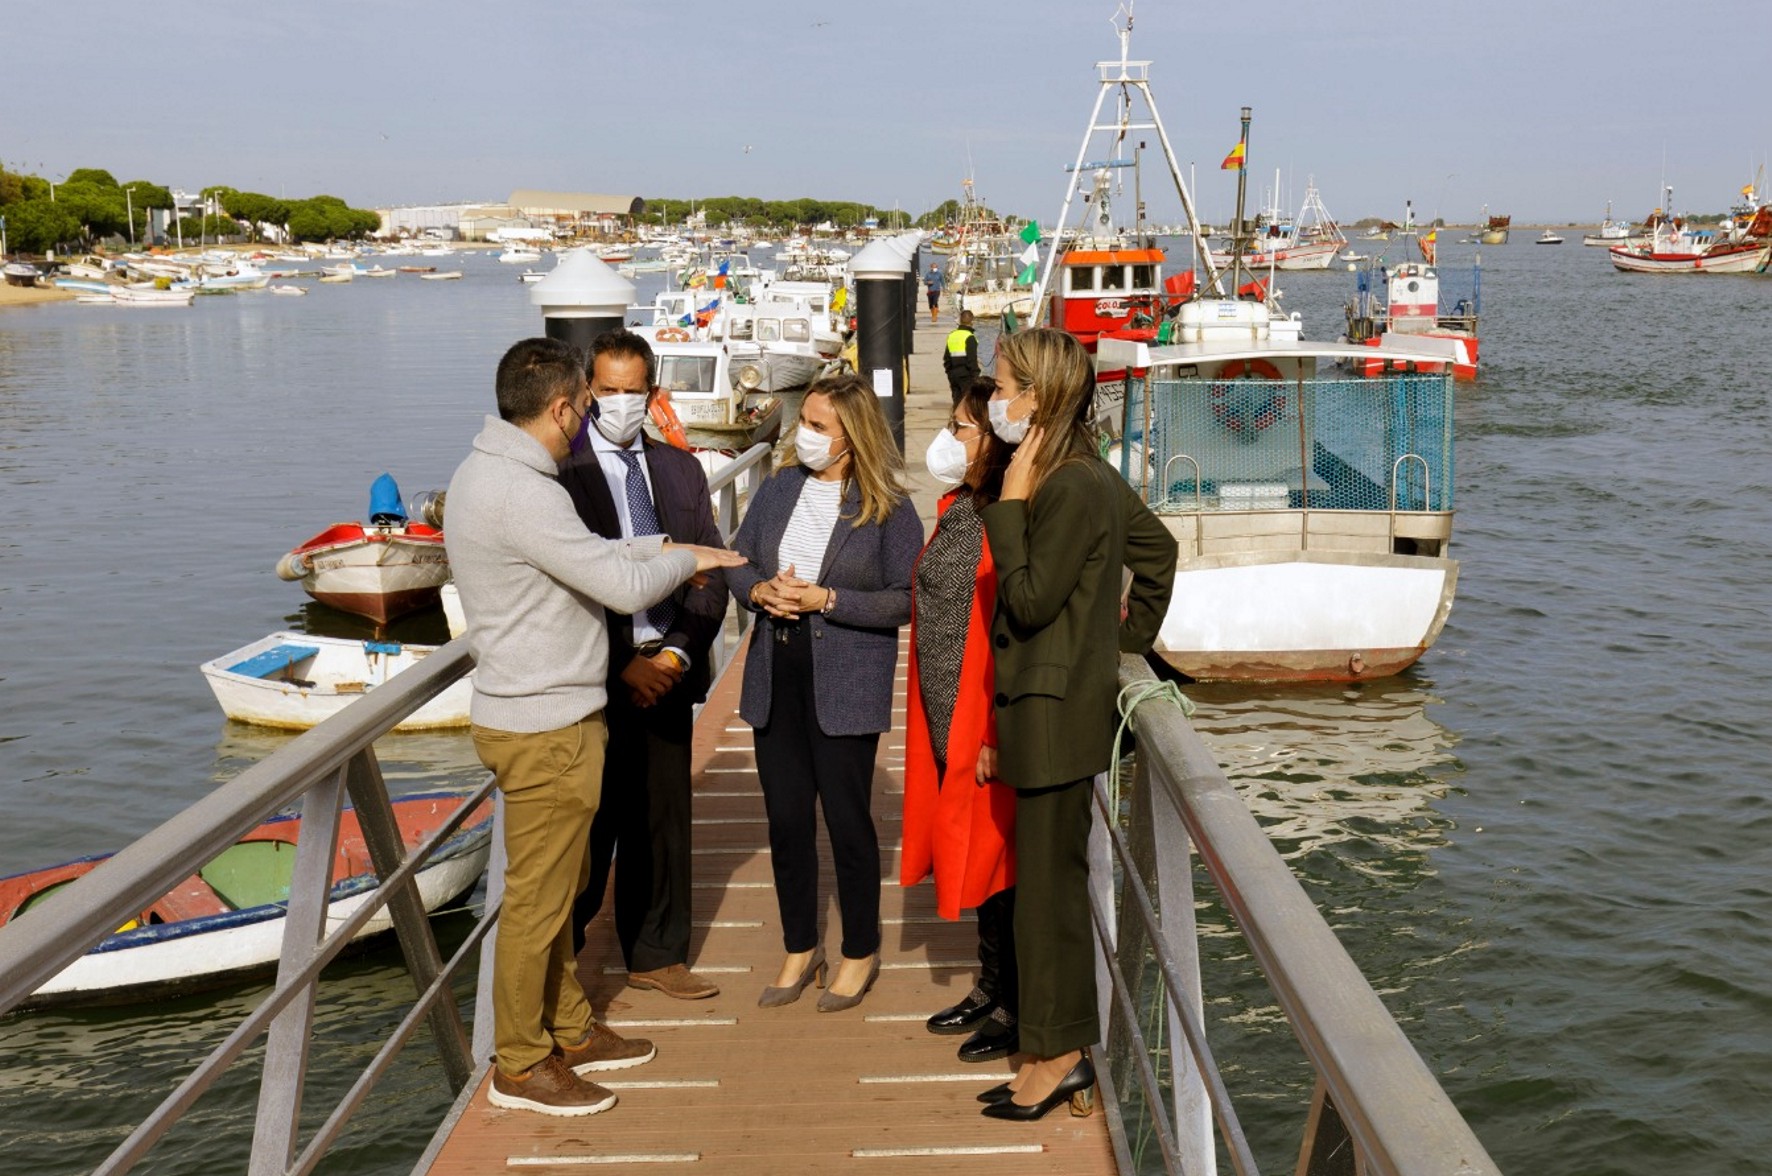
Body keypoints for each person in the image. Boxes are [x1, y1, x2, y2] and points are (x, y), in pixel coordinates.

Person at [445, 337, 744, 1118]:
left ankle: (570, 1027)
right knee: (539, 905)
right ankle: (520, 1064)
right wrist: (689, 559)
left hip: (546, 714)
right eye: (586, 403)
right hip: (545, 725)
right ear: (561, 408)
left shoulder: (490, 471)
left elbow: (592, 552)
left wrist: (667, 546)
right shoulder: (524, 491)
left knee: (561, 888)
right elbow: (616, 581)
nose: (590, 417)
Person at [974, 328, 1177, 1121]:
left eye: (1002, 388)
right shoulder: (1087, 469)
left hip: (1054, 720)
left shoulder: (1065, 484)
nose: (995, 401)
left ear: (1038, 396)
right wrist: (1117, 641)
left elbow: (1030, 601)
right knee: (1046, 889)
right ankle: (1044, 1047)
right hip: (1050, 713)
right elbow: (1156, 550)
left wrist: (1009, 507)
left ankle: (1059, 1056)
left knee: (1050, 898)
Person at [727, 372, 923, 1013]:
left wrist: (828, 600)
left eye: (818, 426)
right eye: (804, 421)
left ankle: (860, 951)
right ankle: (800, 946)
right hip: (775, 670)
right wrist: (760, 591)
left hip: (846, 678)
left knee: (846, 821)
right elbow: (739, 559)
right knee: (786, 820)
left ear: (852, 436)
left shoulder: (889, 506)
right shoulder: (780, 486)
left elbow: (907, 598)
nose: (804, 434)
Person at [561, 329, 726, 1000]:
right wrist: (622, 664)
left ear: (652, 392)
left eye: (633, 391)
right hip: (595, 679)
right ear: (587, 390)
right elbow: (564, 586)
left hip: (669, 668)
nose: (621, 402)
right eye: (608, 390)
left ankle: (657, 954)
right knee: (586, 830)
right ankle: (561, 969)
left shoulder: (682, 471)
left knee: (661, 824)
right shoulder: (563, 474)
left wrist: (678, 653)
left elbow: (710, 568)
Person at [901, 376, 1021, 1064]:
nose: (945, 439)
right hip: (945, 707)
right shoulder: (960, 507)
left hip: (982, 714)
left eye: (959, 428)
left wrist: (994, 732)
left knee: (1002, 860)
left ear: (993, 441)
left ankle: (1014, 1002)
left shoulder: (1007, 513)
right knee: (981, 855)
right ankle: (991, 983)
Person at [942, 310, 980, 405]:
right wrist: (976, 376)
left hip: (953, 374)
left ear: (960, 320)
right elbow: (972, 360)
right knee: (966, 402)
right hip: (966, 375)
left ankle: (955, 413)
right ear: (972, 321)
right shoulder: (970, 337)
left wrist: (949, 372)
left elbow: (946, 358)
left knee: (956, 401)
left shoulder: (952, 335)